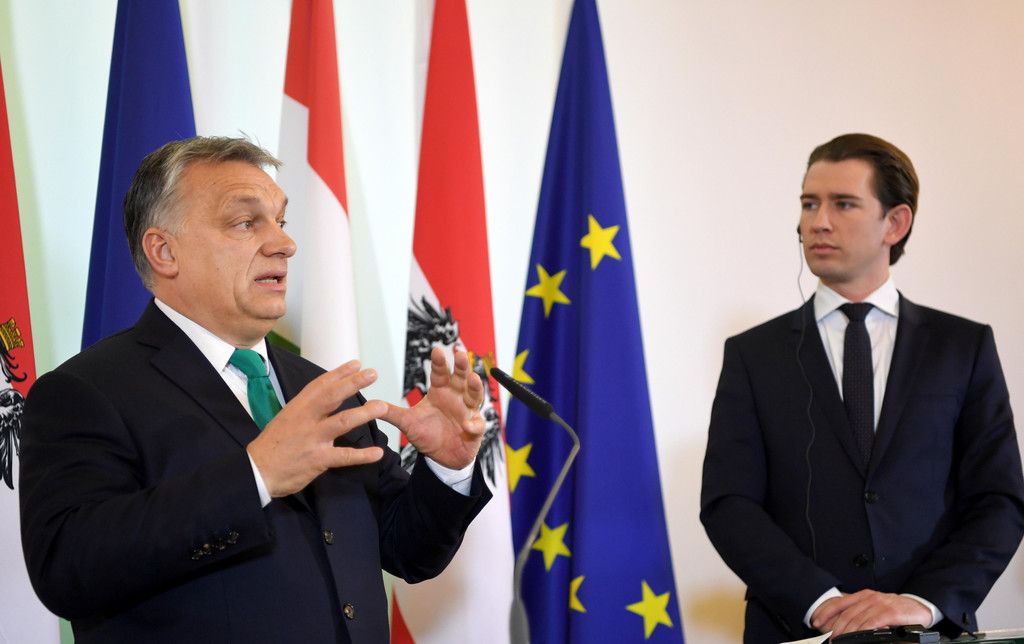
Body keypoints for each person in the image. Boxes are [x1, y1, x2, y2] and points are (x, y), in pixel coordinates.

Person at [19, 136, 491, 643]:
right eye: (246, 223)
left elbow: (407, 550)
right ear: (165, 251)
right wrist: (256, 474)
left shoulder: (321, 388)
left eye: (281, 221)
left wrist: (447, 468)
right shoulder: (86, 392)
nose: (284, 244)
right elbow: (68, 568)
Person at [700, 133, 1024, 643]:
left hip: (928, 632)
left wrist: (921, 602)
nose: (818, 222)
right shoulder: (752, 354)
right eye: (809, 203)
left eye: (843, 203)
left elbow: (999, 498)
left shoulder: (962, 347)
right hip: (795, 629)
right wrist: (822, 603)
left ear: (895, 223)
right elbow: (729, 503)